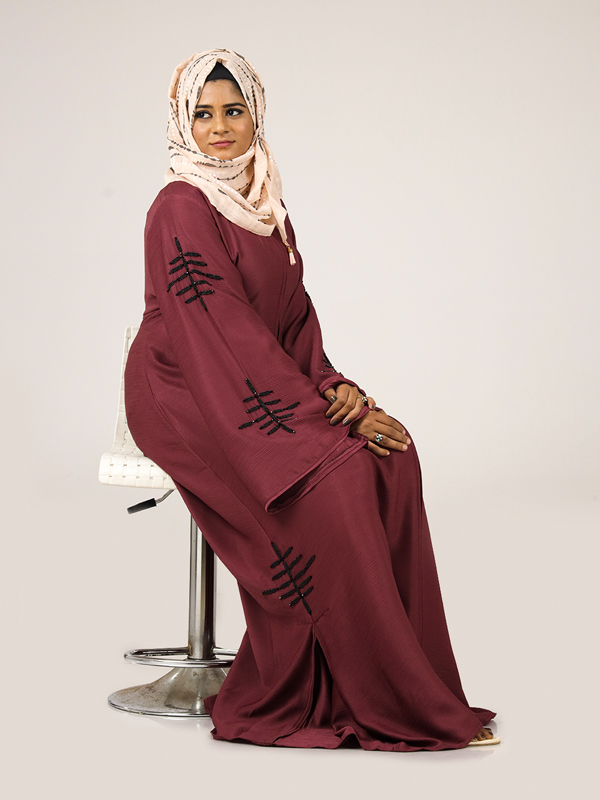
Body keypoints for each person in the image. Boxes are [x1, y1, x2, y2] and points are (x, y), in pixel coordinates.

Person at [124, 48, 500, 751]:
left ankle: (409, 687)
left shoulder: (265, 206)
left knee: (392, 460)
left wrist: (338, 394)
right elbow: (220, 331)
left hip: (253, 383)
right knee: (337, 479)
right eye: (202, 114)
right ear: (182, 124)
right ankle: (361, 695)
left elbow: (292, 325)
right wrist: (308, 426)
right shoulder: (179, 206)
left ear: (256, 115)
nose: (219, 128)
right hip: (186, 391)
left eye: (234, 111)